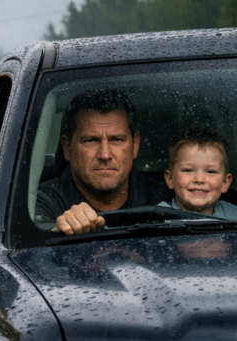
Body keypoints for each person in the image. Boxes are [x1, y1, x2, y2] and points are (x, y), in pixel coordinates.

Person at [34, 89, 161, 234]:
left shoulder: (165, 197)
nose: (105, 155)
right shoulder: (40, 204)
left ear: (135, 145)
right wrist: (57, 231)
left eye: (117, 139)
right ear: (67, 148)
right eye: (91, 141)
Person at [158, 130, 237, 219]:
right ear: (170, 179)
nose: (199, 179)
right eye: (188, 170)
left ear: (225, 183)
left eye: (211, 171)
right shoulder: (157, 218)